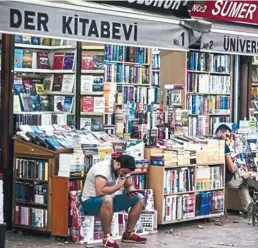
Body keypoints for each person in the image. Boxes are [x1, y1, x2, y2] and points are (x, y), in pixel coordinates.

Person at [81, 154, 147, 248]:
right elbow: (100, 192)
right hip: (90, 202)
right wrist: (119, 186)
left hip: (110, 201)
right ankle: (107, 238)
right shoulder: (102, 169)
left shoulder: (124, 170)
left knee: (139, 198)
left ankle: (128, 234)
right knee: (107, 199)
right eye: (123, 172)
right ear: (118, 165)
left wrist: (131, 190)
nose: (124, 175)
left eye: (126, 173)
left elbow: (128, 185)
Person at [215, 124, 258, 213]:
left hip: (217, 177)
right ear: (219, 132)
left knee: (243, 179)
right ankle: (249, 209)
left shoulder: (211, 142)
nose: (227, 139)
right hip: (227, 180)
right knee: (246, 180)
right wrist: (247, 173)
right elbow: (232, 169)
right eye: (226, 135)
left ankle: (249, 208)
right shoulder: (224, 146)